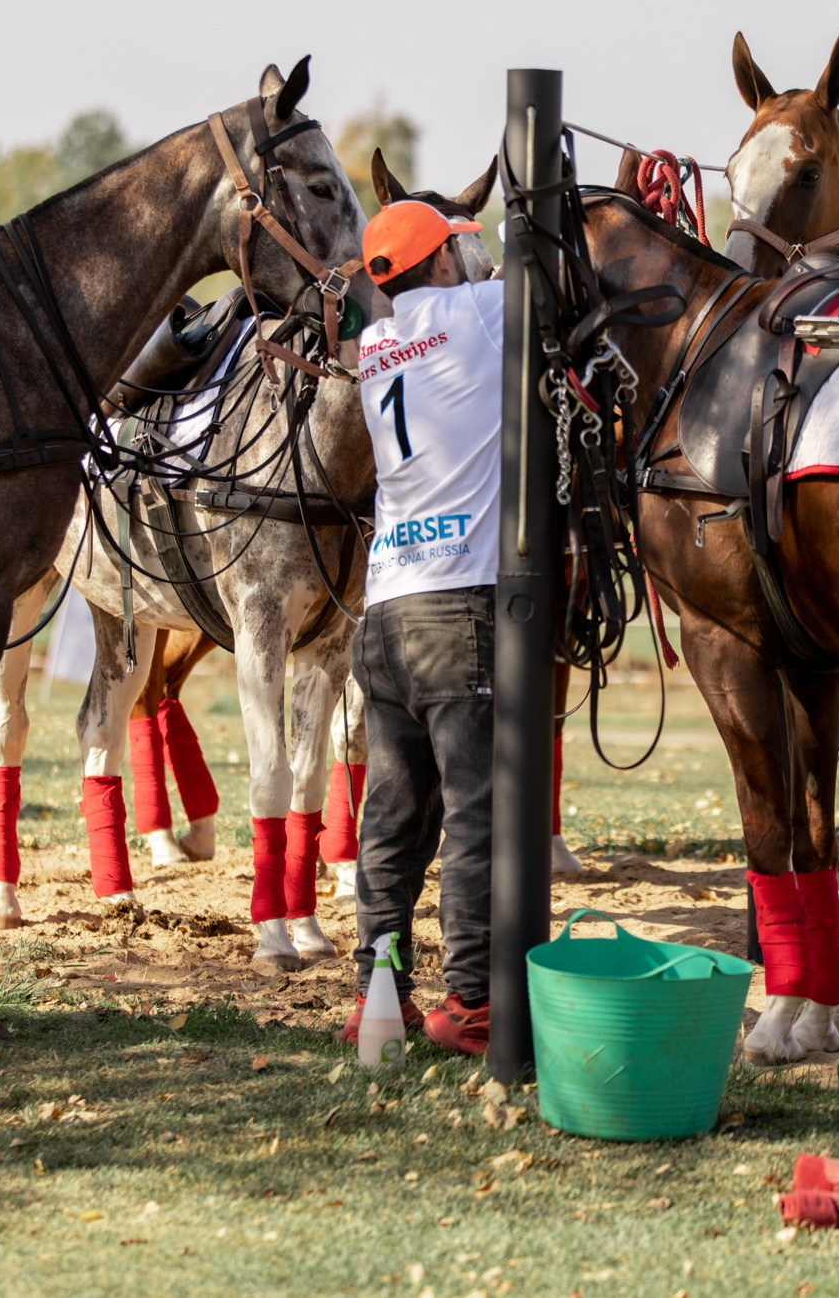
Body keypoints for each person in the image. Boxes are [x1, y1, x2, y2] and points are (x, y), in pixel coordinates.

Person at [336, 197, 501, 1057]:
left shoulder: (373, 345)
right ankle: (472, 998)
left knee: (393, 815)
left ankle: (380, 992)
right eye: (460, 250)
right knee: (476, 809)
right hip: (456, 601)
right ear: (442, 262)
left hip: (387, 605)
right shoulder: (479, 312)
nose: (471, 260)